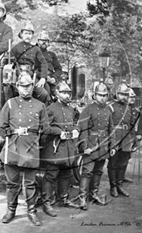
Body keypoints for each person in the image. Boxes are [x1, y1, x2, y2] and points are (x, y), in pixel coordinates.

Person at [0, 73, 49, 226]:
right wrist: (12, 135)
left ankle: (32, 212)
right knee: (12, 183)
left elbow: (45, 130)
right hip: (13, 147)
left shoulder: (40, 106)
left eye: (28, 86)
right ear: (17, 87)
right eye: (22, 86)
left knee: (30, 184)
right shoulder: (10, 104)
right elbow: (2, 126)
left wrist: (35, 142)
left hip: (31, 148)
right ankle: (10, 210)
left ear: (33, 87)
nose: (25, 89)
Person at [40, 82, 80, 217]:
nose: (67, 95)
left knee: (65, 174)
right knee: (50, 176)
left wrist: (76, 130)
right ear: (56, 93)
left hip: (68, 148)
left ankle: (63, 199)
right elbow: (45, 128)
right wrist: (58, 132)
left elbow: (76, 124)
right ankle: (47, 203)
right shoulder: (50, 109)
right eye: (63, 92)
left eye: (68, 93)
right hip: (55, 148)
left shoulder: (71, 109)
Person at [77, 80, 116, 210]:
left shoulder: (108, 110)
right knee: (87, 172)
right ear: (94, 95)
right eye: (100, 95)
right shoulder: (87, 110)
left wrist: (113, 146)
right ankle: (82, 198)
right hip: (91, 145)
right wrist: (85, 147)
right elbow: (83, 130)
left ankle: (93, 194)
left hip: (103, 145)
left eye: (105, 95)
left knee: (98, 171)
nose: (103, 97)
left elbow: (111, 129)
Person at [9, 19, 51, 106]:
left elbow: (43, 63)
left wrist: (43, 78)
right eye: (26, 33)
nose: (28, 36)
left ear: (32, 35)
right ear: (21, 34)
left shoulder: (35, 49)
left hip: (31, 75)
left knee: (44, 94)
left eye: (30, 33)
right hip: (17, 75)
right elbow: (9, 61)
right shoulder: (15, 48)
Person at [107, 81, 134, 197]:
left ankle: (119, 185)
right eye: (122, 94)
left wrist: (133, 140)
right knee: (113, 163)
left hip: (126, 139)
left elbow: (132, 125)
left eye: (126, 95)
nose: (124, 97)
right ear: (117, 94)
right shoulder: (111, 107)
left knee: (123, 163)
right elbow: (107, 125)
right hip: (115, 138)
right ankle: (113, 187)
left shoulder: (129, 109)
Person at [37, 28, 62, 98]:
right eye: (42, 40)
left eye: (46, 41)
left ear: (48, 43)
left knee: (62, 93)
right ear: (38, 41)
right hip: (40, 78)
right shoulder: (34, 53)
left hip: (51, 79)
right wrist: (44, 77)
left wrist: (54, 78)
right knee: (46, 92)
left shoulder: (52, 54)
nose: (44, 42)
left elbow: (59, 69)